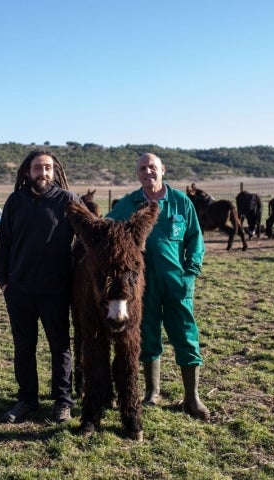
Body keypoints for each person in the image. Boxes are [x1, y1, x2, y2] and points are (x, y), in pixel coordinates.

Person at [106, 152, 211, 420]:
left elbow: (195, 240)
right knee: (147, 335)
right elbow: (105, 229)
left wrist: (190, 274)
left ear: (163, 169)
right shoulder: (128, 204)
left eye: (152, 167)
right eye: (142, 168)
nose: (147, 172)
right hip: (141, 287)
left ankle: (192, 397)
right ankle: (153, 393)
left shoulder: (180, 202)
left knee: (185, 336)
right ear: (137, 173)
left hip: (177, 283)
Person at [0, 149, 78, 424]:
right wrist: (3, 281)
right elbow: (3, 242)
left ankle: (63, 401)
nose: (43, 173)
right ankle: (27, 399)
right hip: (19, 290)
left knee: (60, 347)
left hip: (56, 290)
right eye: (37, 168)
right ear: (27, 172)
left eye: (47, 168)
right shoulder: (15, 201)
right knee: (24, 347)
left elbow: (90, 235)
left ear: (54, 172)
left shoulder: (68, 201)